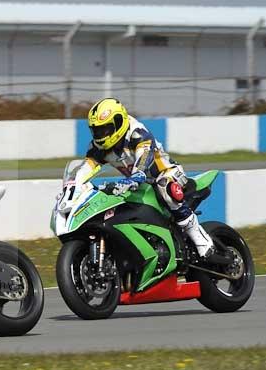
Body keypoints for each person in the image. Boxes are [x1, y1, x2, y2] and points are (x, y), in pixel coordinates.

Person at [76, 98, 215, 258]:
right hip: (139, 184)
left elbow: (144, 155)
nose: (101, 135)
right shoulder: (98, 147)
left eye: (105, 129)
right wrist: (75, 184)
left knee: (165, 187)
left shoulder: (136, 133)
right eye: (97, 131)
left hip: (167, 173)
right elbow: (87, 167)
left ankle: (200, 239)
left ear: (119, 122)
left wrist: (137, 175)